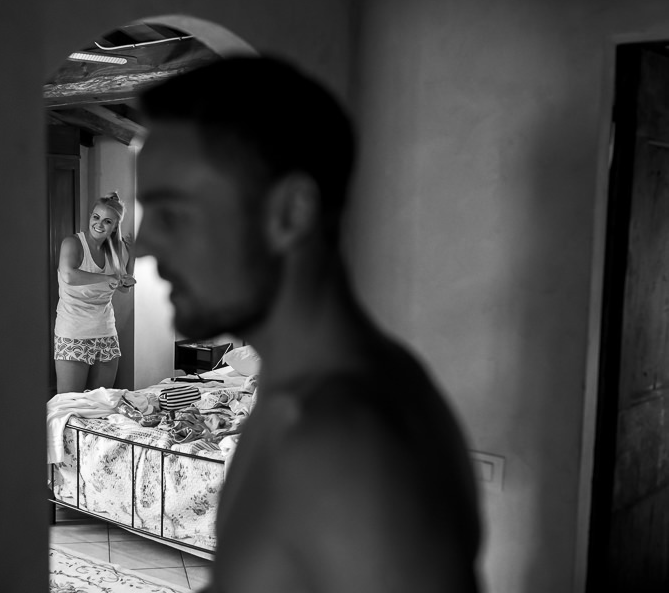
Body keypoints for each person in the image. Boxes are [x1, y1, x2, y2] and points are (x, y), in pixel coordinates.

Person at [135, 57, 481, 592]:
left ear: (290, 213)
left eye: (172, 214)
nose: (145, 245)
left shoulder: (348, 446)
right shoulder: (295, 394)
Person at [54, 192, 135, 393]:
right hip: (73, 332)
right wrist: (107, 278)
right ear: (90, 216)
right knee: (69, 405)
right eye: (96, 217)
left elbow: (123, 288)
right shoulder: (72, 243)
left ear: (115, 226)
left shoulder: (118, 249)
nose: (99, 224)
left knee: (101, 403)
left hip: (106, 332)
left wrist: (131, 257)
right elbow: (69, 276)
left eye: (107, 221)